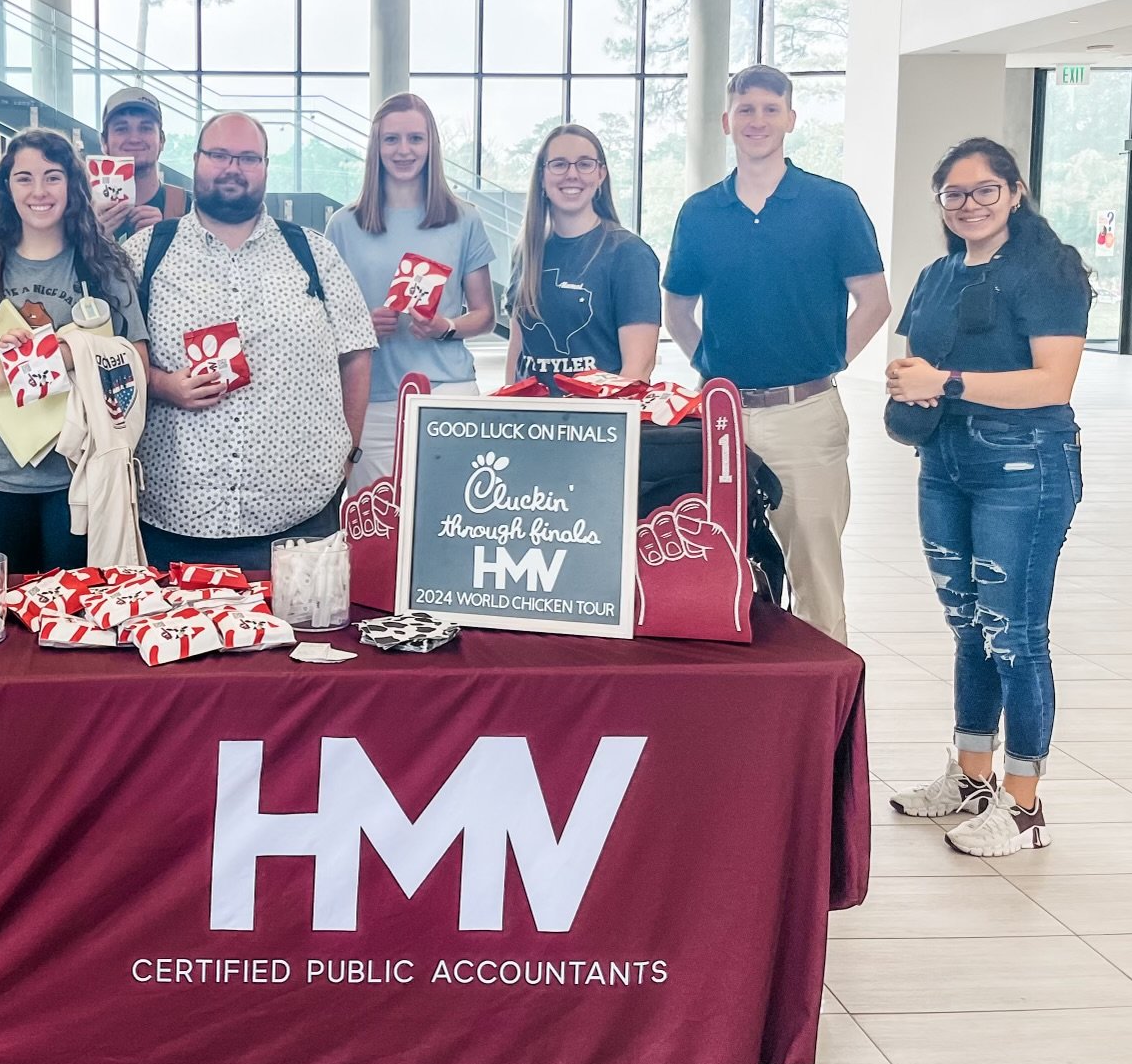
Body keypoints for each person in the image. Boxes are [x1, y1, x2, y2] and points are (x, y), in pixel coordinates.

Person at [887, 138, 1089, 857]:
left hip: (1024, 466)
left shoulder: (1050, 269)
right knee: (969, 627)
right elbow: (915, 360)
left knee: (1015, 634)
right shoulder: (936, 275)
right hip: (944, 463)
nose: (969, 204)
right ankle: (972, 778)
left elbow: (1052, 381)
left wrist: (944, 382)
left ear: (1014, 192)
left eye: (984, 191)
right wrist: (909, 382)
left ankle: (1025, 805)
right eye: (954, 193)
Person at [662, 65, 890, 642]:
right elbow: (677, 311)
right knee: (717, 569)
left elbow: (874, 302)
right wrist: (713, 371)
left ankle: (827, 696)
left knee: (816, 579)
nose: (757, 120)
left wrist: (826, 361)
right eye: (746, 109)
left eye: (770, 109)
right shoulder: (700, 213)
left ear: (790, 118)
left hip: (805, 417)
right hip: (721, 418)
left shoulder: (833, 204)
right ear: (726, 121)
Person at [125, 111, 377, 570]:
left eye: (247, 158)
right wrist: (162, 385)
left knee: (304, 621)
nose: (232, 168)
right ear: (196, 160)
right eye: (219, 155)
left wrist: (349, 455)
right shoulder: (145, 253)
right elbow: (110, 362)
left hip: (300, 516)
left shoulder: (313, 252)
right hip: (173, 516)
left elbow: (356, 353)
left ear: (265, 167)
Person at [0, 128, 148, 574]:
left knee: (73, 605)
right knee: (1, 606)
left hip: (78, 473)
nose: (39, 191)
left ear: (73, 185)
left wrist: (71, 353)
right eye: (24, 178)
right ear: (5, 187)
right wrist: (8, 370)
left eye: (53, 177)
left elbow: (138, 366)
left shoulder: (105, 264)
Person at [326, 93, 495, 495]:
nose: (404, 150)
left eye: (415, 139)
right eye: (392, 139)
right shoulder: (343, 225)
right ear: (376, 146)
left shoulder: (464, 218)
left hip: (446, 391)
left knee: (451, 516)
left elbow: (485, 315)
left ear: (431, 144)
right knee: (375, 520)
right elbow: (323, 322)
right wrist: (362, 326)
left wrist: (445, 326)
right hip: (369, 399)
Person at [506, 123, 661, 393]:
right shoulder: (527, 252)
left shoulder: (629, 255)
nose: (572, 174)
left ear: (601, 174)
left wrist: (596, 417)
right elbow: (517, 349)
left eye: (585, 164)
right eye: (559, 164)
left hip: (597, 416)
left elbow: (638, 370)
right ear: (542, 176)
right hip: (529, 415)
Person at [92, 86, 188, 240]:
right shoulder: (78, 212)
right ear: (104, 142)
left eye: (145, 128)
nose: (134, 139)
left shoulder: (189, 210)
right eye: (122, 129)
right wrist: (90, 239)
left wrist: (167, 239)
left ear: (162, 140)